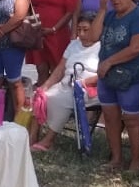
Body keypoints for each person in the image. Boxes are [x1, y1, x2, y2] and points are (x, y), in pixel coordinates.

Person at [96, 0, 139, 173]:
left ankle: (136, 162)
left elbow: (136, 47)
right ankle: (116, 158)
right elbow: (93, 36)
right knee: (110, 117)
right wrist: (103, 10)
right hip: (107, 75)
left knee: (131, 119)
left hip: (132, 76)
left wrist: (110, 61)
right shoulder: (111, 16)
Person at [29, 11, 102, 153]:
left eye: (86, 30)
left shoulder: (102, 47)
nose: (81, 33)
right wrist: (45, 85)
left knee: (61, 98)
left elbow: (103, 74)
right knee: (40, 95)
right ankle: (33, 136)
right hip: (66, 84)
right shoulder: (74, 45)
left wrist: (83, 82)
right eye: (79, 29)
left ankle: (48, 141)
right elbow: (60, 69)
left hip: (89, 89)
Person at [26, 0, 79, 84]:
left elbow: (70, 12)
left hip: (58, 35)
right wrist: (32, 25)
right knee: (41, 68)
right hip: (38, 33)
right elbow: (28, 7)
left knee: (57, 69)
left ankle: (54, 101)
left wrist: (54, 29)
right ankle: (41, 100)